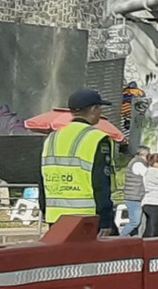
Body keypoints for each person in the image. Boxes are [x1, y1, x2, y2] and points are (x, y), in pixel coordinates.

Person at [40, 88, 117, 235]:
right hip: (87, 217)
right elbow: (100, 182)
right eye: (100, 108)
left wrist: (45, 209)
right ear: (94, 109)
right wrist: (106, 220)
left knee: (64, 258)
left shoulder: (52, 138)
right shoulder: (97, 138)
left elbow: (42, 177)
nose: (100, 113)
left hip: (56, 217)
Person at [120, 145, 151, 236]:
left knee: (141, 222)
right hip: (134, 197)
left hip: (136, 197)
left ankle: (134, 239)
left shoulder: (137, 162)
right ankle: (121, 236)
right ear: (145, 155)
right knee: (135, 222)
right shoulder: (138, 164)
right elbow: (149, 175)